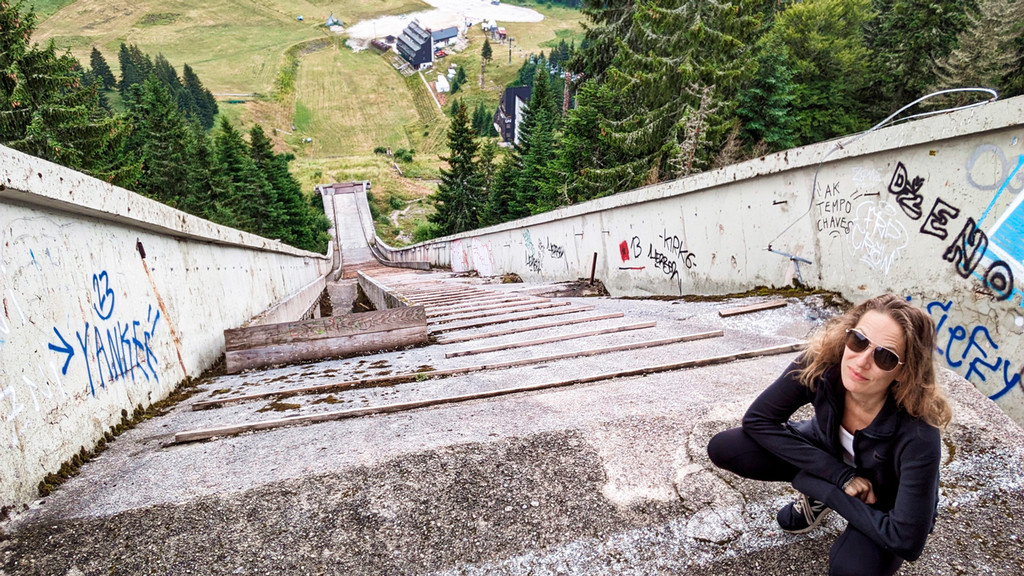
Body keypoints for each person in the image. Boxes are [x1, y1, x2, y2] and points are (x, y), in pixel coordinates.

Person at [707, 294, 952, 576]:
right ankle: (824, 491)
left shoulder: (920, 432)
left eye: (884, 356)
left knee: (851, 570)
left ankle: (822, 496)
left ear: (903, 371)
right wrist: (839, 476)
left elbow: (907, 541)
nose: (860, 362)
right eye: (858, 341)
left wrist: (818, 485)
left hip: (881, 497)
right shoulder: (823, 364)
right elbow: (758, 419)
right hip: (827, 453)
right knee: (726, 447)